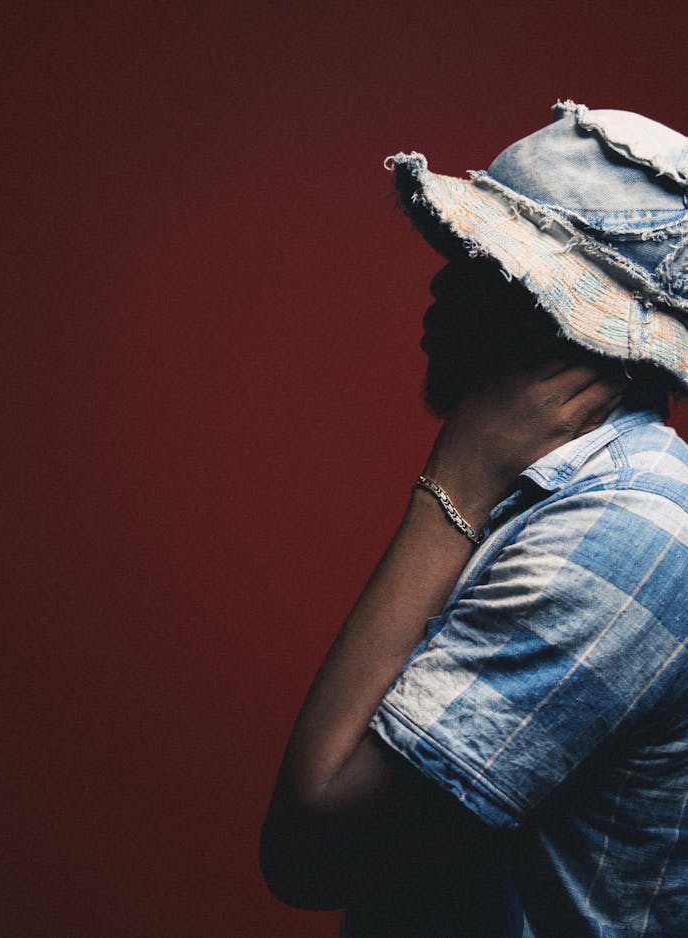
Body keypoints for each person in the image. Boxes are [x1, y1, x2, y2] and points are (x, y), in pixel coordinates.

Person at [260, 101, 688, 936]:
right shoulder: (564, 494)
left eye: (486, 264)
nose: (440, 282)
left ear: (570, 329)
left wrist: (453, 479)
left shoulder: (626, 529)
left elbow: (310, 848)